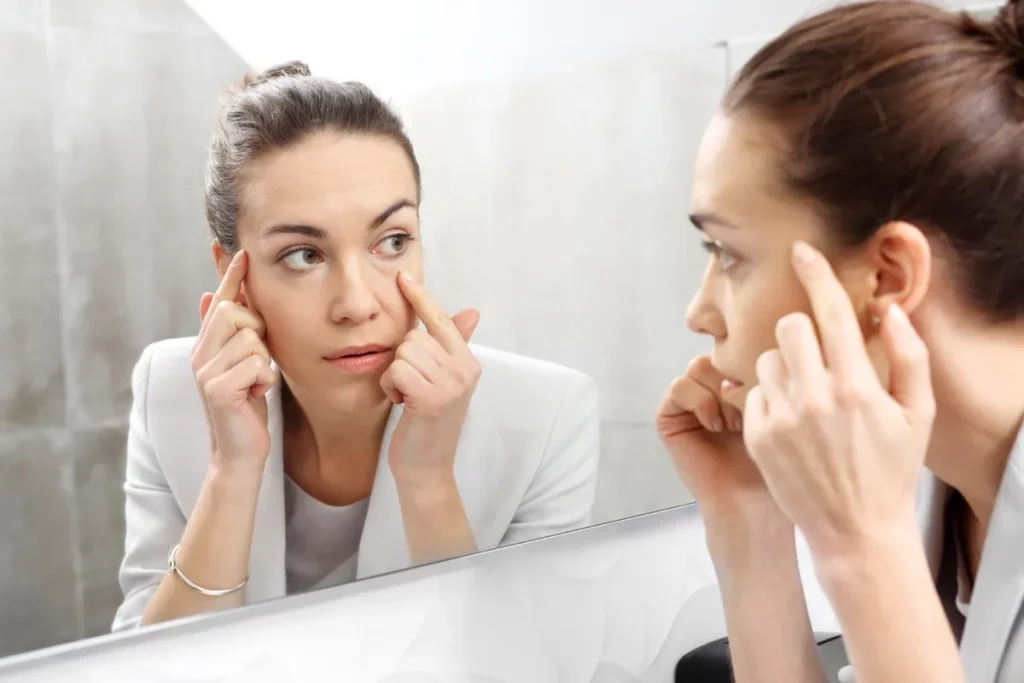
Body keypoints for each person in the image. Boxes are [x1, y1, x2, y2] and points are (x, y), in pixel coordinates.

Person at [112, 62, 600, 631]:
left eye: (391, 241)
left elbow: (531, 665)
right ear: (233, 276)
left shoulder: (546, 418)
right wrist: (232, 472)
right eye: (303, 255)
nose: (357, 304)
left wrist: (427, 481)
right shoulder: (169, 392)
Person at [658, 1, 1024, 681]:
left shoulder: (880, 516)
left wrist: (864, 549)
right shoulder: (924, 489)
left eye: (728, 252)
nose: (699, 312)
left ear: (888, 274)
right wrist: (749, 519)